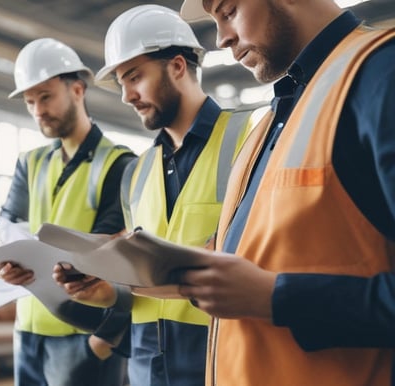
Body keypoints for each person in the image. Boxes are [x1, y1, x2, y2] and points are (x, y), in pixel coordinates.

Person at [164, 0, 395, 384]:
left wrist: (275, 297)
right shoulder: (275, 117)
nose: (222, 38)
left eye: (228, 11)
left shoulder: (381, 76)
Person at [51, 5, 253, 385]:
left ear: (177, 66)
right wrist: (104, 288)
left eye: (134, 77)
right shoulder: (136, 172)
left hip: (221, 360)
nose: (127, 96)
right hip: (147, 368)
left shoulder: (249, 137)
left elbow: (259, 258)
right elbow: (139, 290)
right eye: (121, 84)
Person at [0, 37, 136, 386]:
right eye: (29, 101)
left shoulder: (118, 163)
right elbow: (6, 225)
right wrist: (5, 265)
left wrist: (99, 345)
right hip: (28, 331)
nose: (37, 110)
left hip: (85, 333)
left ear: (77, 90)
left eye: (45, 97)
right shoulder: (30, 162)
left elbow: (114, 260)